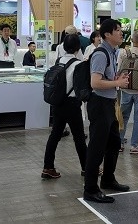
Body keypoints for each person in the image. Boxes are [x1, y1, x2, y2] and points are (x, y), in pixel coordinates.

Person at [83, 18, 130, 204]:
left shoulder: (112, 52)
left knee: (113, 143)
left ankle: (108, 179)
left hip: (109, 103)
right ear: (107, 34)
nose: (121, 33)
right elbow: (95, 83)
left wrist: (116, 79)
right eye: (117, 30)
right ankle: (90, 189)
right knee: (97, 147)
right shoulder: (101, 54)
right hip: (99, 104)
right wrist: (117, 82)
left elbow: (105, 78)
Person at [41, 34, 87, 179]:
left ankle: (48, 167)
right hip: (72, 105)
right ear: (78, 47)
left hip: (57, 103)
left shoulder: (59, 60)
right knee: (79, 137)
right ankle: (86, 168)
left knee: (55, 135)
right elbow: (81, 89)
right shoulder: (79, 64)